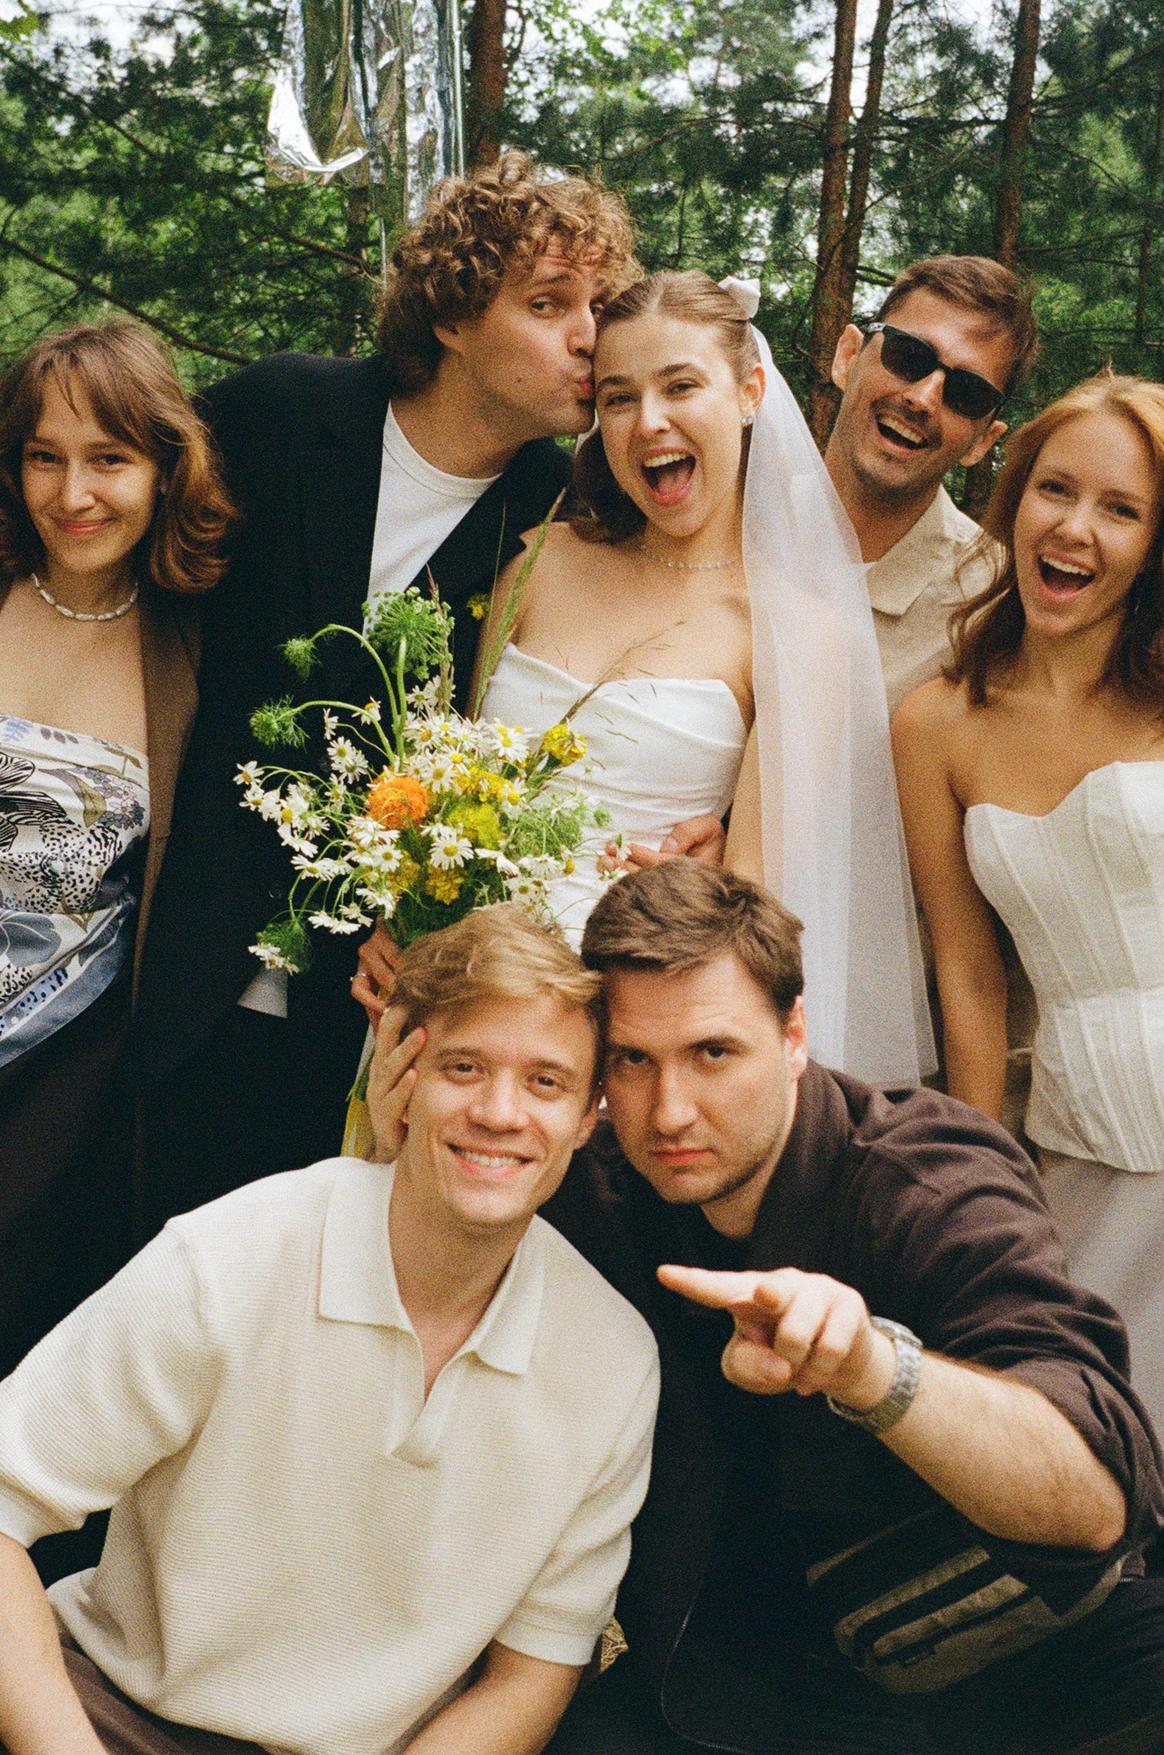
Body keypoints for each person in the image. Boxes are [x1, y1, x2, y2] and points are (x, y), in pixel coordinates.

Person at [367, 859, 1164, 1755]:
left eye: (713, 1053)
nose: (670, 1110)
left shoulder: (925, 1176)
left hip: (1050, 1662)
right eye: (633, 1060)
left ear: (793, 1036)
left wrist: (872, 1369)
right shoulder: (596, 1184)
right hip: (756, 1685)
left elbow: (1097, 1500)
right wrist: (411, 1164)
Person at [129, 151, 704, 1230]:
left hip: (359, 1025)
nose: (590, 337)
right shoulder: (278, 414)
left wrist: (706, 816)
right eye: (549, 305)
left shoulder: (560, 521)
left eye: (599, 306)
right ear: (450, 316)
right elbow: (114, 555)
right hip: (163, 965)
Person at [0, 906, 659, 1755]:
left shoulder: (612, 1359)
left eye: (545, 1082)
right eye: (464, 1067)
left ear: (589, 1114)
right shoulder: (229, 1260)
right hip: (122, 1720)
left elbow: (531, 1675)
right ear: (401, 1071)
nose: (501, 1111)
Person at [476, 269, 932, 1088]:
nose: (649, 421)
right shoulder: (541, 561)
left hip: (630, 1023)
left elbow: (750, 900)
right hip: (461, 982)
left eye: (681, 386)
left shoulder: (796, 630)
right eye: (618, 397)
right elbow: (448, 782)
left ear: (750, 393)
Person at [892, 373, 1164, 1435]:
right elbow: (968, 979)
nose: (1076, 529)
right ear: (1014, 498)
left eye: (1122, 509)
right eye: (1057, 489)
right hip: (1083, 1148)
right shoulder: (937, 723)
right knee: (1089, 1446)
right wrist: (981, 1199)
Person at [0, 320, 233, 1379]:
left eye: (109, 459)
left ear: (166, 469)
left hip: (53, 1086)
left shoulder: (195, 646)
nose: (73, 494)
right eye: (44, 457)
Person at [824, 254, 1038, 714]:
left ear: (984, 441)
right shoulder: (724, 516)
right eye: (908, 356)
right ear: (847, 357)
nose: (922, 398)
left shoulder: (996, 609)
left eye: (967, 392)